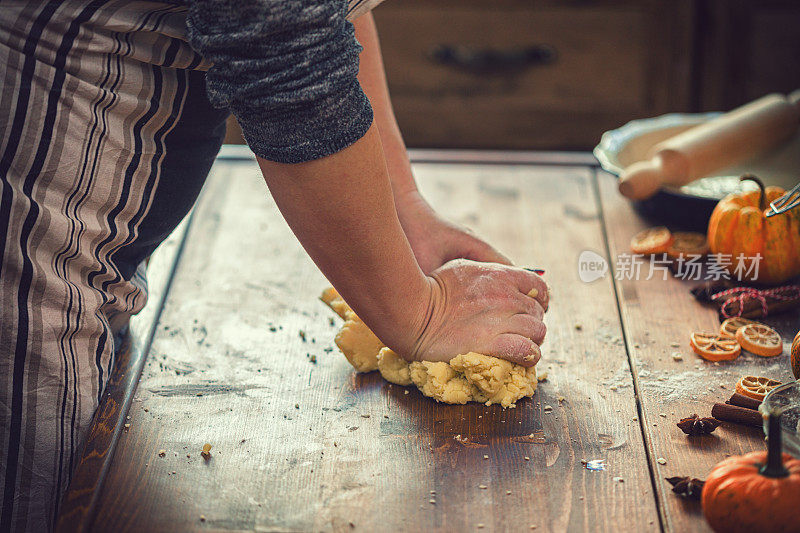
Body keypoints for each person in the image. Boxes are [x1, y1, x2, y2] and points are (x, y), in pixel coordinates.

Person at [0, 1, 548, 530]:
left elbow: (326, 16)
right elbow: (282, 45)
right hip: (26, 265)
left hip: (100, 261)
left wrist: (402, 206)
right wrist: (423, 314)